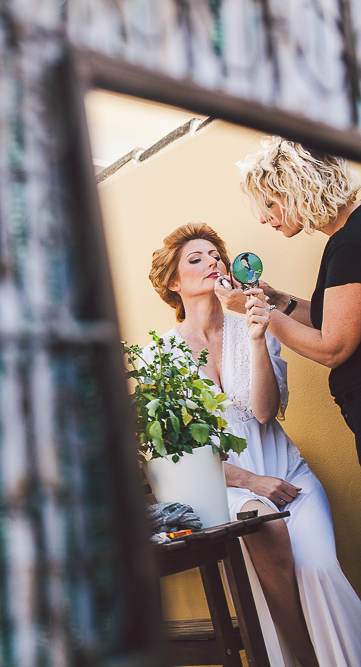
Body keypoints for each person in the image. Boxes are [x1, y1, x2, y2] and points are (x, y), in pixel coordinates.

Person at [149, 222, 361, 666]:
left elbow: (264, 411)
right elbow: (175, 453)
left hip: (287, 475)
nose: (213, 262)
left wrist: (258, 336)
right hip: (225, 488)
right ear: (173, 281)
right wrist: (250, 480)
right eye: (197, 258)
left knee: (319, 568)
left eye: (216, 256)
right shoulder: (159, 355)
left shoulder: (252, 324)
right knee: (260, 520)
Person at [216, 137, 361, 465]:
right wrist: (279, 301)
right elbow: (334, 321)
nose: (266, 219)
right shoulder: (348, 237)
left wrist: (257, 310)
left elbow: (333, 348)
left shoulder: (350, 244)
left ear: (299, 189)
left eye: (270, 204)